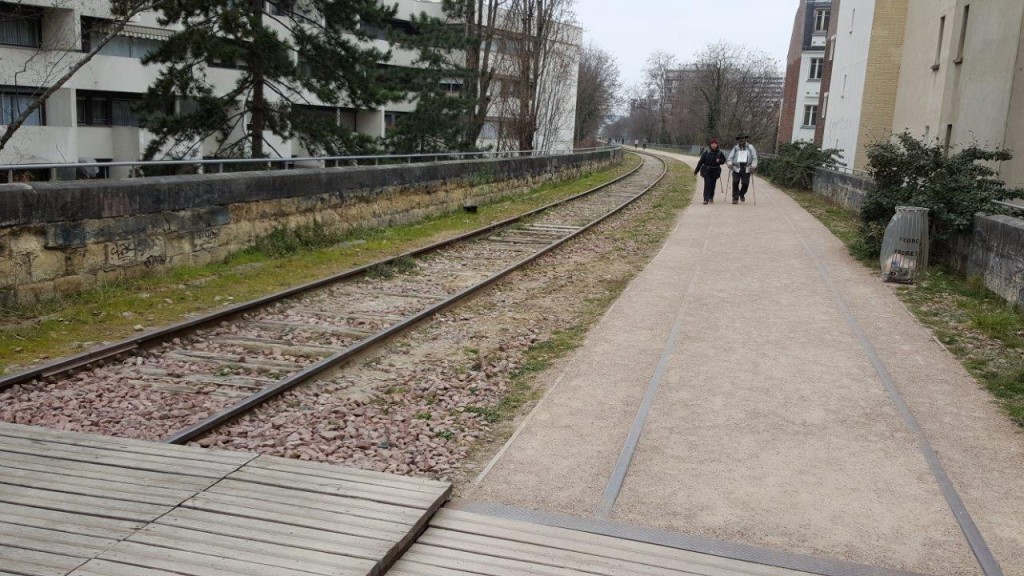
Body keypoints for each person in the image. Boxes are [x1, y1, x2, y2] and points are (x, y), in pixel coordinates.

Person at [726, 134, 758, 204]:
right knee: (735, 182)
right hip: (736, 168)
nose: (741, 140)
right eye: (739, 139)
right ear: (738, 140)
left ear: (745, 139)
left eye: (743, 138)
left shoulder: (750, 147)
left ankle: (741, 194)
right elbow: (730, 158)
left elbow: (754, 158)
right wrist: (729, 163)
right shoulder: (735, 148)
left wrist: (753, 166)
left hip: (746, 168)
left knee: (745, 183)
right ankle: (735, 198)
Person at [693, 138, 727, 205]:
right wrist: (696, 170)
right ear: (710, 145)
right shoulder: (706, 152)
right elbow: (700, 162)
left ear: (717, 145)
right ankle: (706, 199)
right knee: (707, 184)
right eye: (712, 144)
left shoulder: (720, 153)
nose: (713, 145)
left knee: (713, 185)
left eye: (715, 144)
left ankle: (711, 197)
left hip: (715, 171)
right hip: (707, 171)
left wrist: (719, 161)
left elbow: (724, 160)